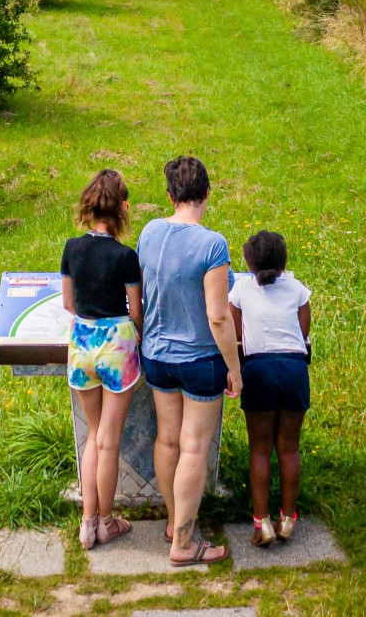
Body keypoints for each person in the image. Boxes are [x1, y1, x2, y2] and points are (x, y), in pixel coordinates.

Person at [137, 154, 241, 566]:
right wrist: (234, 368)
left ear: (169, 195)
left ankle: (172, 522)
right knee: (193, 447)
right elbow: (218, 316)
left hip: (156, 355)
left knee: (167, 438)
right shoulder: (212, 244)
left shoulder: (149, 232)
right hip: (199, 361)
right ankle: (184, 542)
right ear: (207, 193)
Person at [59, 169, 142, 549]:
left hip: (81, 344)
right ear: (120, 209)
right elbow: (136, 311)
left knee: (93, 436)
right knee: (109, 441)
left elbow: (68, 303)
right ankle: (106, 522)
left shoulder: (71, 248)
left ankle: (86, 523)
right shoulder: (126, 256)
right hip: (116, 347)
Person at [229, 229, 311, 547]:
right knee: (289, 448)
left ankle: (261, 522)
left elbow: (237, 331)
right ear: (284, 261)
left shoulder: (241, 290)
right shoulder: (298, 289)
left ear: (249, 262)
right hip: (294, 368)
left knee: (260, 450)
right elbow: (303, 330)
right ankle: (288, 519)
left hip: (259, 368)